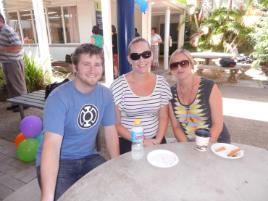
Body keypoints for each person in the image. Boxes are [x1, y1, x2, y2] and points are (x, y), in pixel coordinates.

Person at [36, 44, 119, 201]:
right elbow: (51, 145)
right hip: (61, 161)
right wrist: (47, 197)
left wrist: (116, 164)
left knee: (114, 190)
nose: (93, 70)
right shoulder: (58, 97)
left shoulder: (106, 95)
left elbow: (110, 131)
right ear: (75, 67)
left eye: (97, 64)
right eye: (86, 64)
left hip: (89, 157)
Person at [110, 37, 172, 154]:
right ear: (129, 59)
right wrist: (142, 141)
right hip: (129, 141)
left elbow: (164, 116)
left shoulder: (162, 83)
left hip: (156, 139)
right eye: (135, 56)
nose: (141, 60)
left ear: (152, 55)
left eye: (146, 54)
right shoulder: (118, 86)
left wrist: (158, 140)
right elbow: (116, 124)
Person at [169, 48, 230, 143]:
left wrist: (203, 147)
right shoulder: (171, 94)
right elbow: (176, 127)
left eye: (184, 63)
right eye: (174, 65)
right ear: (171, 70)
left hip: (215, 142)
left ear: (192, 65)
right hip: (188, 144)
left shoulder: (209, 87)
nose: (179, 68)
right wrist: (186, 146)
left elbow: (217, 124)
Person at [0, 13, 27, 112]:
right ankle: (16, 103)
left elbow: (18, 46)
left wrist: (1, 50)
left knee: (17, 84)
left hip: (13, 62)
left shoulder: (7, 30)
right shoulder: (2, 31)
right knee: (11, 85)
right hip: (6, 62)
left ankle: (24, 104)